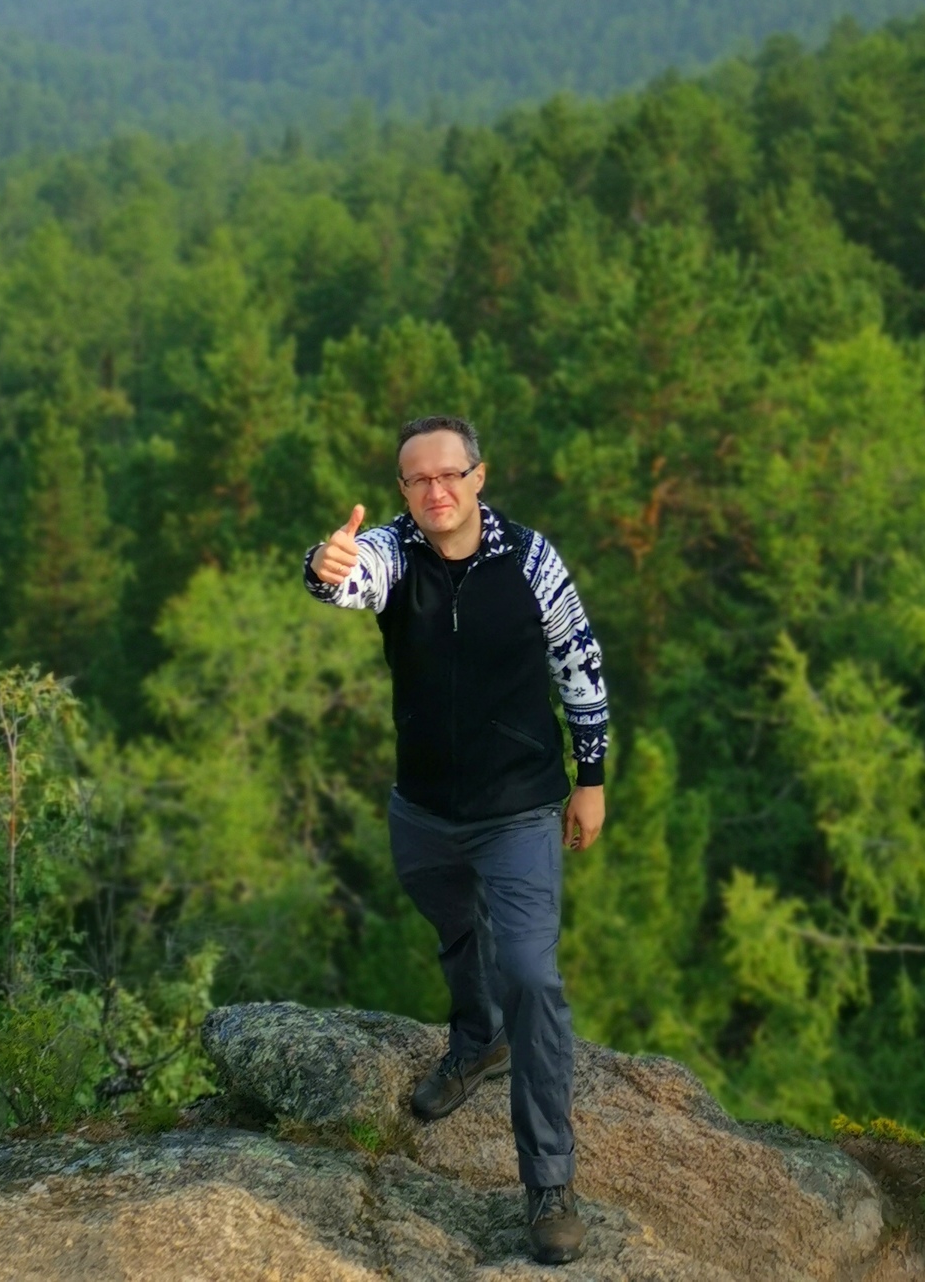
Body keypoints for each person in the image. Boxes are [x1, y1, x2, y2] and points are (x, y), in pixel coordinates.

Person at [305, 414, 608, 1268]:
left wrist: (590, 779)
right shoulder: (395, 552)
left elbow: (580, 665)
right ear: (403, 491)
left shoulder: (532, 561)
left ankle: (549, 1179)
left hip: (518, 807)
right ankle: (477, 1042)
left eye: (450, 475)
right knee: (458, 934)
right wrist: (324, 570)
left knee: (531, 974)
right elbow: (354, 577)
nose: (435, 491)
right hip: (424, 809)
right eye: (417, 480)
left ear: (479, 477)